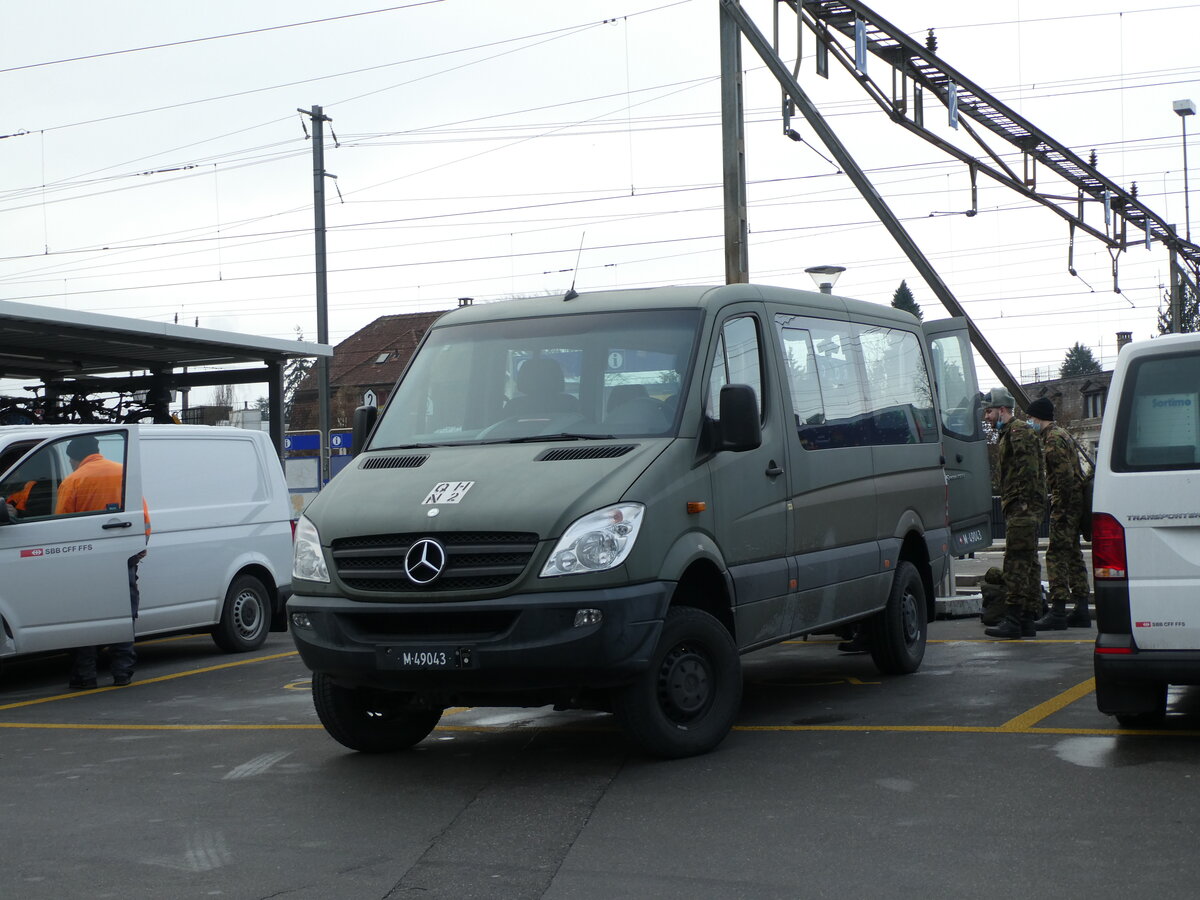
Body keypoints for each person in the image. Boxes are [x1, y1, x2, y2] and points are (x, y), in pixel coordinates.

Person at [56, 435, 151, 690]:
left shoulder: (73, 480)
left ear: (74, 458)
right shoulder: (123, 474)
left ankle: (85, 676)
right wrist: (140, 548)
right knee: (123, 612)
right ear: (97, 451)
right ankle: (123, 672)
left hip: (85, 560)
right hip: (123, 556)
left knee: (86, 615)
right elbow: (143, 516)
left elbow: (60, 526)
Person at [981, 388, 1046, 640]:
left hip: (1022, 506)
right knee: (1028, 563)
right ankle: (1028, 619)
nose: (987, 416)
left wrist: (1023, 505)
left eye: (989, 411)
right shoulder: (1010, 433)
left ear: (1003, 409)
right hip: (1023, 506)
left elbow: (1028, 471)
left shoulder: (1018, 432)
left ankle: (1013, 619)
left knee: (1016, 562)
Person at [1026, 398, 1092, 630]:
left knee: (1055, 555)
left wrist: (1060, 507)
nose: (1029, 422)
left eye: (1030, 418)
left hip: (1066, 505)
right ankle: (1082, 609)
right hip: (1076, 502)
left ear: (1037, 417)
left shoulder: (1052, 439)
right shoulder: (1062, 434)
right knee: (1073, 554)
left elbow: (1063, 477)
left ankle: (1058, 610)